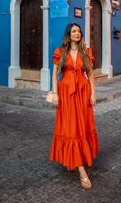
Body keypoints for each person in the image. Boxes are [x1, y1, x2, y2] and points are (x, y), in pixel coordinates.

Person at [50, 23, 99, 190]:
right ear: (68, 34)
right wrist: (55, 93)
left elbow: (91, 74)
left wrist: (93, 93)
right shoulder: (60, 52)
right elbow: (55, 75)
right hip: (66, 95)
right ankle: (81, 169)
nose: (77, 33)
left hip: (83, 93)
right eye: (74, 31)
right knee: (71, 128)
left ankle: (76, 159)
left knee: (81, 128)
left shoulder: (86, 51)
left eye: (79, 31)